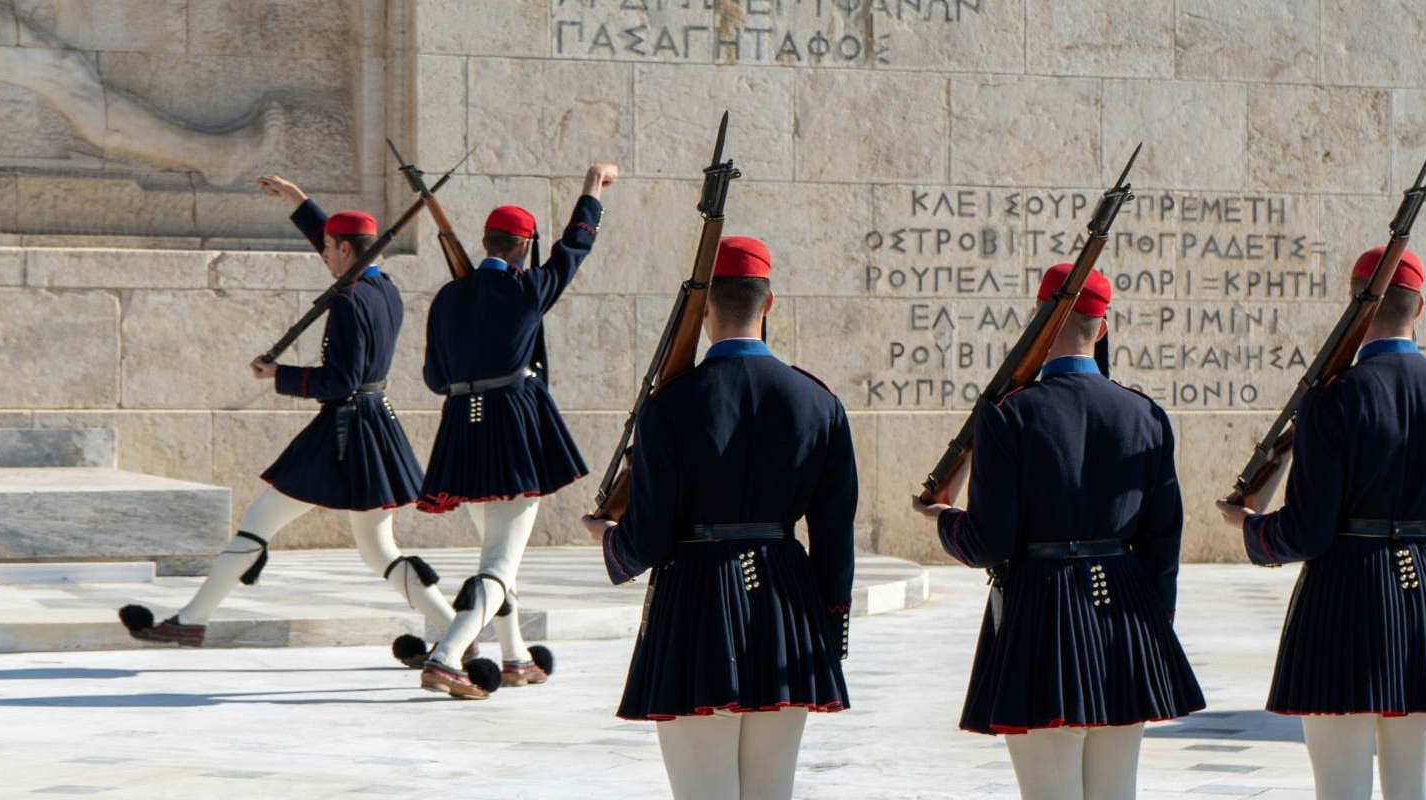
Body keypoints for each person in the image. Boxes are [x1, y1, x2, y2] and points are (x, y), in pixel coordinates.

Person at [1214, 247, 1426, 800]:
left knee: (1340, 789)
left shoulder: (1333, 399)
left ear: (1356, 306)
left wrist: (1252, 528)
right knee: (1418, 789)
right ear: (1421, 308)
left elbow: (1309, 530)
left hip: (1342, 596)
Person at [119, 175, 451, 652]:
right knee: (380, 551)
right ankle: (457, 630)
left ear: (342, 250)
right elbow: (339, 243)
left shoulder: (348, 301)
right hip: (376, 427)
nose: (323, 257)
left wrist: (278, 375)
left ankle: (191, 621)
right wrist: (299, 201)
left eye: (329, 251)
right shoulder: (384, 289)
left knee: (258, 523)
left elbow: (340, 381)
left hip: (342, 433)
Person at [913, 263, 1205, 800]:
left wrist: (945, 522)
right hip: (1127, 613)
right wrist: (1154, 619)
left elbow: (989, 543)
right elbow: (1163, 538)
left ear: (1039, 321)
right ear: (1105, 325)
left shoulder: (1009, 414)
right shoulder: (1144, 413)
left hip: (1042, 611)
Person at [583, 236, 856, 800]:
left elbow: (652, 535)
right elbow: (834, 532)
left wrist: (612, 540)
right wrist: (829, 624)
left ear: (703, 308)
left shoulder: (671, 404)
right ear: (769, 303)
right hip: (787, 600)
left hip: (697, 598)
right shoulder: (817, 400)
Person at [409, 162, 621, 699]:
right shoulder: (528, 291)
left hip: (461, 428)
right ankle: (447, 654)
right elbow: (575, 248)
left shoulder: (447, 298)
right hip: (512, 430)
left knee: (497, 553)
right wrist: (591, 187)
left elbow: (435, 377)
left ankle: (516, 657)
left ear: (485, 241)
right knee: (500, 560)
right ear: (524, 247)